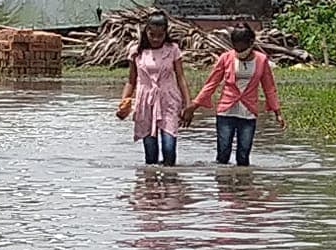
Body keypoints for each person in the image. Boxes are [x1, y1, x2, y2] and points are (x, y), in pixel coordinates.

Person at [181, 24, 285, 166]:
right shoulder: (226, 58)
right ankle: (224, 186)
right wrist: (194, 105)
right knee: (223, 154)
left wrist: (277, 112)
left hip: (248, 113)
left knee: (243, 156)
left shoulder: (261, 60)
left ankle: (242, 186)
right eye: (236, 47)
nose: (239, 51)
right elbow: (211, 84)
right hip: (226, 112)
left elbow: (269, 87)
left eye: (242, 47)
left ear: (251, 43)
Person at [117, 11, 191, 166]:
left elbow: (181, 78)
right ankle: (151, 188)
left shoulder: (173, 49)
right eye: (152, 35)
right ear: (146, 32)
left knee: (169, 146)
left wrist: (188, 104)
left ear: (166, 33)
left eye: (160, 35)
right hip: (146, 101)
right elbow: (131, 81)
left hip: (169, 99)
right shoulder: (136, 51)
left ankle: (170, 183)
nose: (156, 39)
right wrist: (124, 102)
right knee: (150, 154)